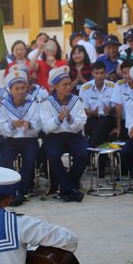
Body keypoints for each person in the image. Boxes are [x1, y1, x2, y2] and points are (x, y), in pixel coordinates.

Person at [40, 66, 89, 202]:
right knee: (53, 156)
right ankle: (71, 189)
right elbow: (46, 127)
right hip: (54, 136)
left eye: (69, 84)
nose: (69, 87)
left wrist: (70, 119)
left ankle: (66, 188)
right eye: (65, 85)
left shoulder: (76, 101)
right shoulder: (46, 103)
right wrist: (58, 119)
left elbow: (82, 122)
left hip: (74, 135)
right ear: (55, 86)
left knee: (83, 155)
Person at [0, 70, 42, 207]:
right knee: (6, 159)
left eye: (23, 88)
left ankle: (21, 190)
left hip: (29, 139)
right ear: (11, 90)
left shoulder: (34, 102)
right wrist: (11, 125)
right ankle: (12, 189)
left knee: (30, 159)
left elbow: (40, 123)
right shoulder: (3, 104)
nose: (21, 91)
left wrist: (31, 125)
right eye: (17, 88)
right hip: (11, 140)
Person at [80, 61, 116, 149]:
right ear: (92, 73)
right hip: (92, 118)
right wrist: (92, 112)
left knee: (103, 122)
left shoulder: (113, 86)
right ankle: (100, 153)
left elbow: (116, 107)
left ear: (105, 72)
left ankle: (91, 148)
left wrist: (110, 110)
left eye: (102, 73)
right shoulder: (85, 88)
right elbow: (84, 109)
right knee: (97, 126)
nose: (99, 76)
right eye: (97, 73)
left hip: (108, 118)